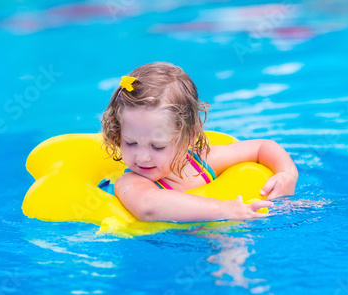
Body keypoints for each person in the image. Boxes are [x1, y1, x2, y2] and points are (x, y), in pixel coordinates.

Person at [99, 62, 298, 222]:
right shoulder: (132, 182)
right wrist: (225, 210)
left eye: (158, 146)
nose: (142, 156)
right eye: (130, 143)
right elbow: (148, 208)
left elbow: (262, 147)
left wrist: (287, 174)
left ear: (189, 137)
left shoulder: (200, 162)